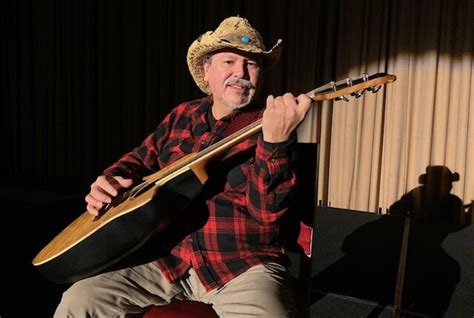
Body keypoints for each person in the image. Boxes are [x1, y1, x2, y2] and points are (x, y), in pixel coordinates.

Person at [54, 16, 311, 317]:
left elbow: (266, 216)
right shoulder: (182, 115)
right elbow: (138, 158)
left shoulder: (272, 126)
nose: (240, 73)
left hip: (242, 264)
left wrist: (276, 143)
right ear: (207, 70)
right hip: (165, 257)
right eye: (229, 61)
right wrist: (111, 179)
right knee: (78, 301)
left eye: (251, 64)